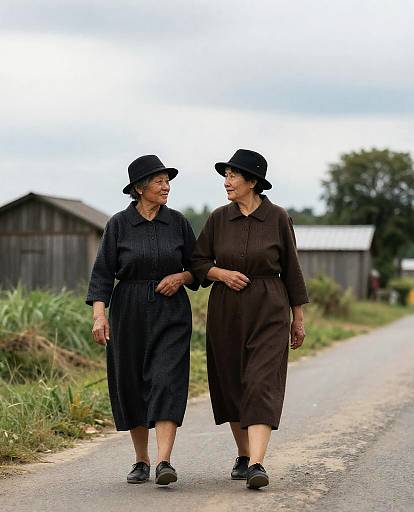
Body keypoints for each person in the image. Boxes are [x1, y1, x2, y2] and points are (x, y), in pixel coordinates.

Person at [191, 149, 309, 489]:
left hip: (270, 306)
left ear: (252, 182)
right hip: (226, 309)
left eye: (232, 176)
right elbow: (197, 263)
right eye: (225, 176)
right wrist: (222, 274)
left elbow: (292, 270)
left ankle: (257, 464)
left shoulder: (277, 217)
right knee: (232, 382)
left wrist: (297, 319)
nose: (226, 182)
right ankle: (243, 453)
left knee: (261, 381)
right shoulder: (217, 218)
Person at [86, 154, 198, 485]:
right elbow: (102, 275)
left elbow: (199, 267)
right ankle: (141, 460)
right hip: (128, 310)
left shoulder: (178, 222)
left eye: (168, 181)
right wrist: (98, 316)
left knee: (167, 379)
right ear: (139, 188)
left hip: (171, 310)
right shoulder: (118, 224)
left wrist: (182, 278)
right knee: (131, 382)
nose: (166, 187)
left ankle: (164, 461)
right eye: (159, 181)